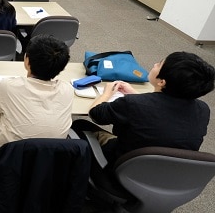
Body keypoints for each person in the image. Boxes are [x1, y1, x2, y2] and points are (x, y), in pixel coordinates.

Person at [80, 52, 215, 166]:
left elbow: (96, 114)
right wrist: (136, 95)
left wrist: (106, 93)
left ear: (162, 82)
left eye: (159, 64)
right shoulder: (203, 109)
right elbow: (161, 112)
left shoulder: (133, 104)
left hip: (126, 166)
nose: (155, 64)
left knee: (80, 125)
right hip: (171, 174)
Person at [0, 34, 73, 151]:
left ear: (27, 60)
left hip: (8, 161)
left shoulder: (8, 86)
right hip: (51, 162)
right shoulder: (68, 90)